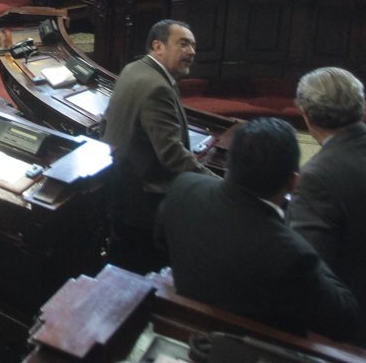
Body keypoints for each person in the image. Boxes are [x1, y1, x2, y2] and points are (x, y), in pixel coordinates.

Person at [156, 118, 359, 342]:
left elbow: (161, 243)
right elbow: (346, 319)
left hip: (182, 329)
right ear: (294, 182)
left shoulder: (184, 188)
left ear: (230, 162)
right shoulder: (291, 254)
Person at [103, 19, 211, 273]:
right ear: (157, 46)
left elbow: (106, 121)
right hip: (144, 205)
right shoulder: (158, 87)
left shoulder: (133, 69)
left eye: (193, 46)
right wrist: (217, 184)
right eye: (183, 44)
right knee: (141, 274)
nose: (191, 52)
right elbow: (172, 156)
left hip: (120, 189)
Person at [289, 67, 366, 343]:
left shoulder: (317, 177)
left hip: (351, 327)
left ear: (306, 116)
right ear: (362, 108)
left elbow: (310, 269)